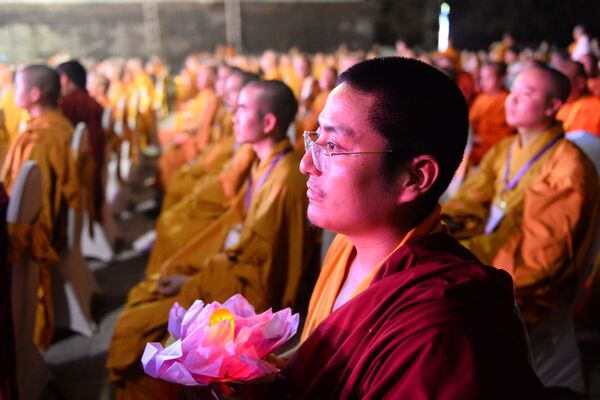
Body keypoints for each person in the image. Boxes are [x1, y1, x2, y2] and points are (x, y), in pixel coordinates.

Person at [266, 57, 545, 399]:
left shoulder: (444, 330)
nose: (307, 163)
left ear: (414, 177)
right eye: (317, 137)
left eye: (334, 147)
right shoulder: (346, 246)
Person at [107, 79, 315, 399]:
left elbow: (263, 270)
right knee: (151, 290)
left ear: (268, 122)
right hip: (230, 271)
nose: (232, 115)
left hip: (248, 293)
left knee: (133, 329)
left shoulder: (283, 181)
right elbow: (237, 229)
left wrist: (192, 283)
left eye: (242, 108)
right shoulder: (263, 164)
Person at [443, 63, 599, 396]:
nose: (511, 101)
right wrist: (436, 230)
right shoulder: (505, 149)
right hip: (489, 261)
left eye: (525, 94)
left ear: (553, 106)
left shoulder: (567, 167)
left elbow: (540, 259)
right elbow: (467, 203)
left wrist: (468, 270)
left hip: (527, 295)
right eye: (512, 91)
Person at [1, 64, 81, 349]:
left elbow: (34, 209)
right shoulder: (59, 124)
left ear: (34, 94)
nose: (12, 93)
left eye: (17, 87)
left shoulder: (38, 139)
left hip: (30, 237)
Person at [57, 60, 105, 222]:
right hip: (96, 168)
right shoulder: (94, 103)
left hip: (80, 179)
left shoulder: (66, 106)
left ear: (64, 80)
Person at [469, 62, 515, 165]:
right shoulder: (481, 98)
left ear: (502, 78)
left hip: (493, 152)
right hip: (472, 147)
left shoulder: (507, 101)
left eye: (489, 78)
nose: (484, 82)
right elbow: (470, 122)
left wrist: (478, 139)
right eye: (482, 78)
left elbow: (506, 136)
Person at [555, 59, 600, 137]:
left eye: (563, 84)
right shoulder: (558, 108)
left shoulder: (596, 108)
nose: (558, 89)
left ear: (580, 83)